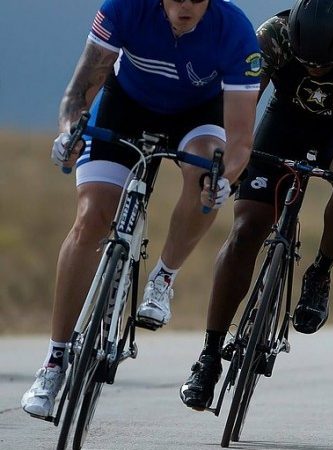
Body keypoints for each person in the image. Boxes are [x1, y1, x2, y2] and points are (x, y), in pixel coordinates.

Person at [20, 0, 260, 419]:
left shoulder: (236, 30)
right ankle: (54, 361)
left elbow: (240, 139)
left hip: (196, 117)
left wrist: (225, 179)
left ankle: (164, 277)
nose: (185, 5)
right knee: (90, 220)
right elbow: (79, 91)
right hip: (126, 105)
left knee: (207, 176)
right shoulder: (124, 7)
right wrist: (68, 132)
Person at [176, 0, 333, 410]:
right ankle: (209, 355)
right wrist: (233, 157)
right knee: (246, 231)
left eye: (325, 63)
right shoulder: (272, 36)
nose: (315, 69)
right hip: (285, 123)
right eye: (306, 61)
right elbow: (240, 104)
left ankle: (319, 272)